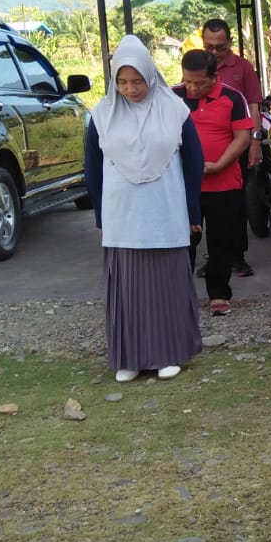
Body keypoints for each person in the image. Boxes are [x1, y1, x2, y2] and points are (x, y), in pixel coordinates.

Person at [84, 35, 204, 383]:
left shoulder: (174, 110)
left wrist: (193, 211)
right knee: (128, 288)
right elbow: (92, 168)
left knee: (166, 285)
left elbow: (194, 162)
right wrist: (100, 215)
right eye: (122, 82)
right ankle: (130, 357)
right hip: (121, 214)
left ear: (150, 75)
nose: (130, 89)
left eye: (137, 81)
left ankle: (169, 352)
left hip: (165, 209)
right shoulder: (102, 114)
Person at [173, 49, 254, 318]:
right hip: (184, 187)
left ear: (214, 77)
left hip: (224, 184)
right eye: (188, 81)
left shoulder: (233, 97)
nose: (192, 88)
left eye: (200, 83)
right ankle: (180, 295)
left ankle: (219, 294)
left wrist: (218, 165)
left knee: (222, 243)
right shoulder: (171, 97)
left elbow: (242, 137)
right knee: (183, 242)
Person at [200, 18, 263, 278]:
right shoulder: (197, 67)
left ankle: (237, 257)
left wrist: (255, 142)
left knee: (236, 205)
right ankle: (215, 259)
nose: (215, 52)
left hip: (237, 148)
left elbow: (254, 106)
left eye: (221, 47)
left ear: (230, 42)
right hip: (206, 153)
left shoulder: (243, 68)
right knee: (207, 207)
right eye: (209, 46)